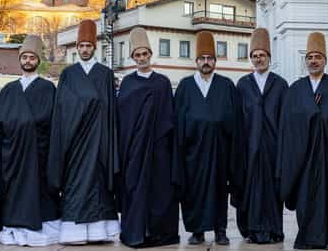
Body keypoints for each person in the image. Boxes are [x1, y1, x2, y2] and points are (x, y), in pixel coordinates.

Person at [276, 32, 328, 250]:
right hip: (304, 160)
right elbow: (287, 128)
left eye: (318, 56)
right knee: (306, 199)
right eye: (309, 57)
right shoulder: (295, 90)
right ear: (305, 61)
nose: (313, 61)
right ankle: (308, 238)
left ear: (325, 60)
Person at [47, 19, 120, 244]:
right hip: (74, 141)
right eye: (81, 46)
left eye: (89, 46)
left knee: (98, 184)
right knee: (74, 185)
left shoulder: (105, 73)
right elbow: (61, 107)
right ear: (77, 48)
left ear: (94, 47)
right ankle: (74, 233)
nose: (85, 49)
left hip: (98, 141)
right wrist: (84, 108)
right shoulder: (68, 74)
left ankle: (100, 232)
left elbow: (109, 109)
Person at [0, 35, 60, 246]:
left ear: (38, 61)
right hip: (11, 154)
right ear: (20, 60)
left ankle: (37, 227)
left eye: (32, 57)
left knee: (39, 192)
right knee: (14, 192)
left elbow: (51, 120)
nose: (28, 61)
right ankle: (15, 226)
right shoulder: (9, 90)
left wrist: (28, 127)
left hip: (38, 154)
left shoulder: (48, 88)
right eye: (25, 57)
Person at [174, 31, 240, 246]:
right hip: (193, 152)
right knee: (193, 192)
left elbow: (235, 118)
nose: (205, 62)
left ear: (215, 61)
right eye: (202, 59)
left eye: (209, 58)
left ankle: (220, 230)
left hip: (220, 149)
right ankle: (197, 231)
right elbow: (177, 120)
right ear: (196, 61)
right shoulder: (185, 86)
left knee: (219, 191)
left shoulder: (227, 85)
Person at [117, 27, 180, 248]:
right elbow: (123, 120)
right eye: (137, 55)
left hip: (158, 150)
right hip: (134, 151)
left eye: (145, 54)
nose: (142, 58)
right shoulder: (127, 83)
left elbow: (169, 118)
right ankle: (135, 233)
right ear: (133, 57)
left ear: (150, 54)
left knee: (159, 192)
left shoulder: (162, 82)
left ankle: (159, 234)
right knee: (134, 190)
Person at [232, 28, 287, 244]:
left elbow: (285, 118)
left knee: (272, 191)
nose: (258, 59)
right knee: (251, 189)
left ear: (269, 58)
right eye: (255, 56)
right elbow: (238, 117)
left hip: (273, 147)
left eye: (262, 55)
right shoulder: (243, 85)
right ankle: (252, 229)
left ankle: (274, 230)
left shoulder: (280, 84)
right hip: (249, 147)